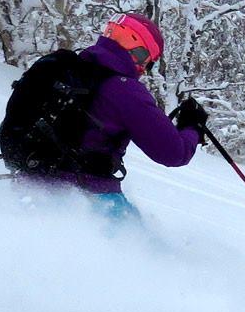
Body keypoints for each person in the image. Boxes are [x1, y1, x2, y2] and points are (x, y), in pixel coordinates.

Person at [26, 11, 210, 222]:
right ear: (140, 52)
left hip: (32, 179)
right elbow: (174, 153)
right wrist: (192, 127)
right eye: (148, 62)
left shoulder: (68, 69)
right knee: (148, 250)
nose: (145, 70)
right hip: (89, 195)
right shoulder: (125, 90)